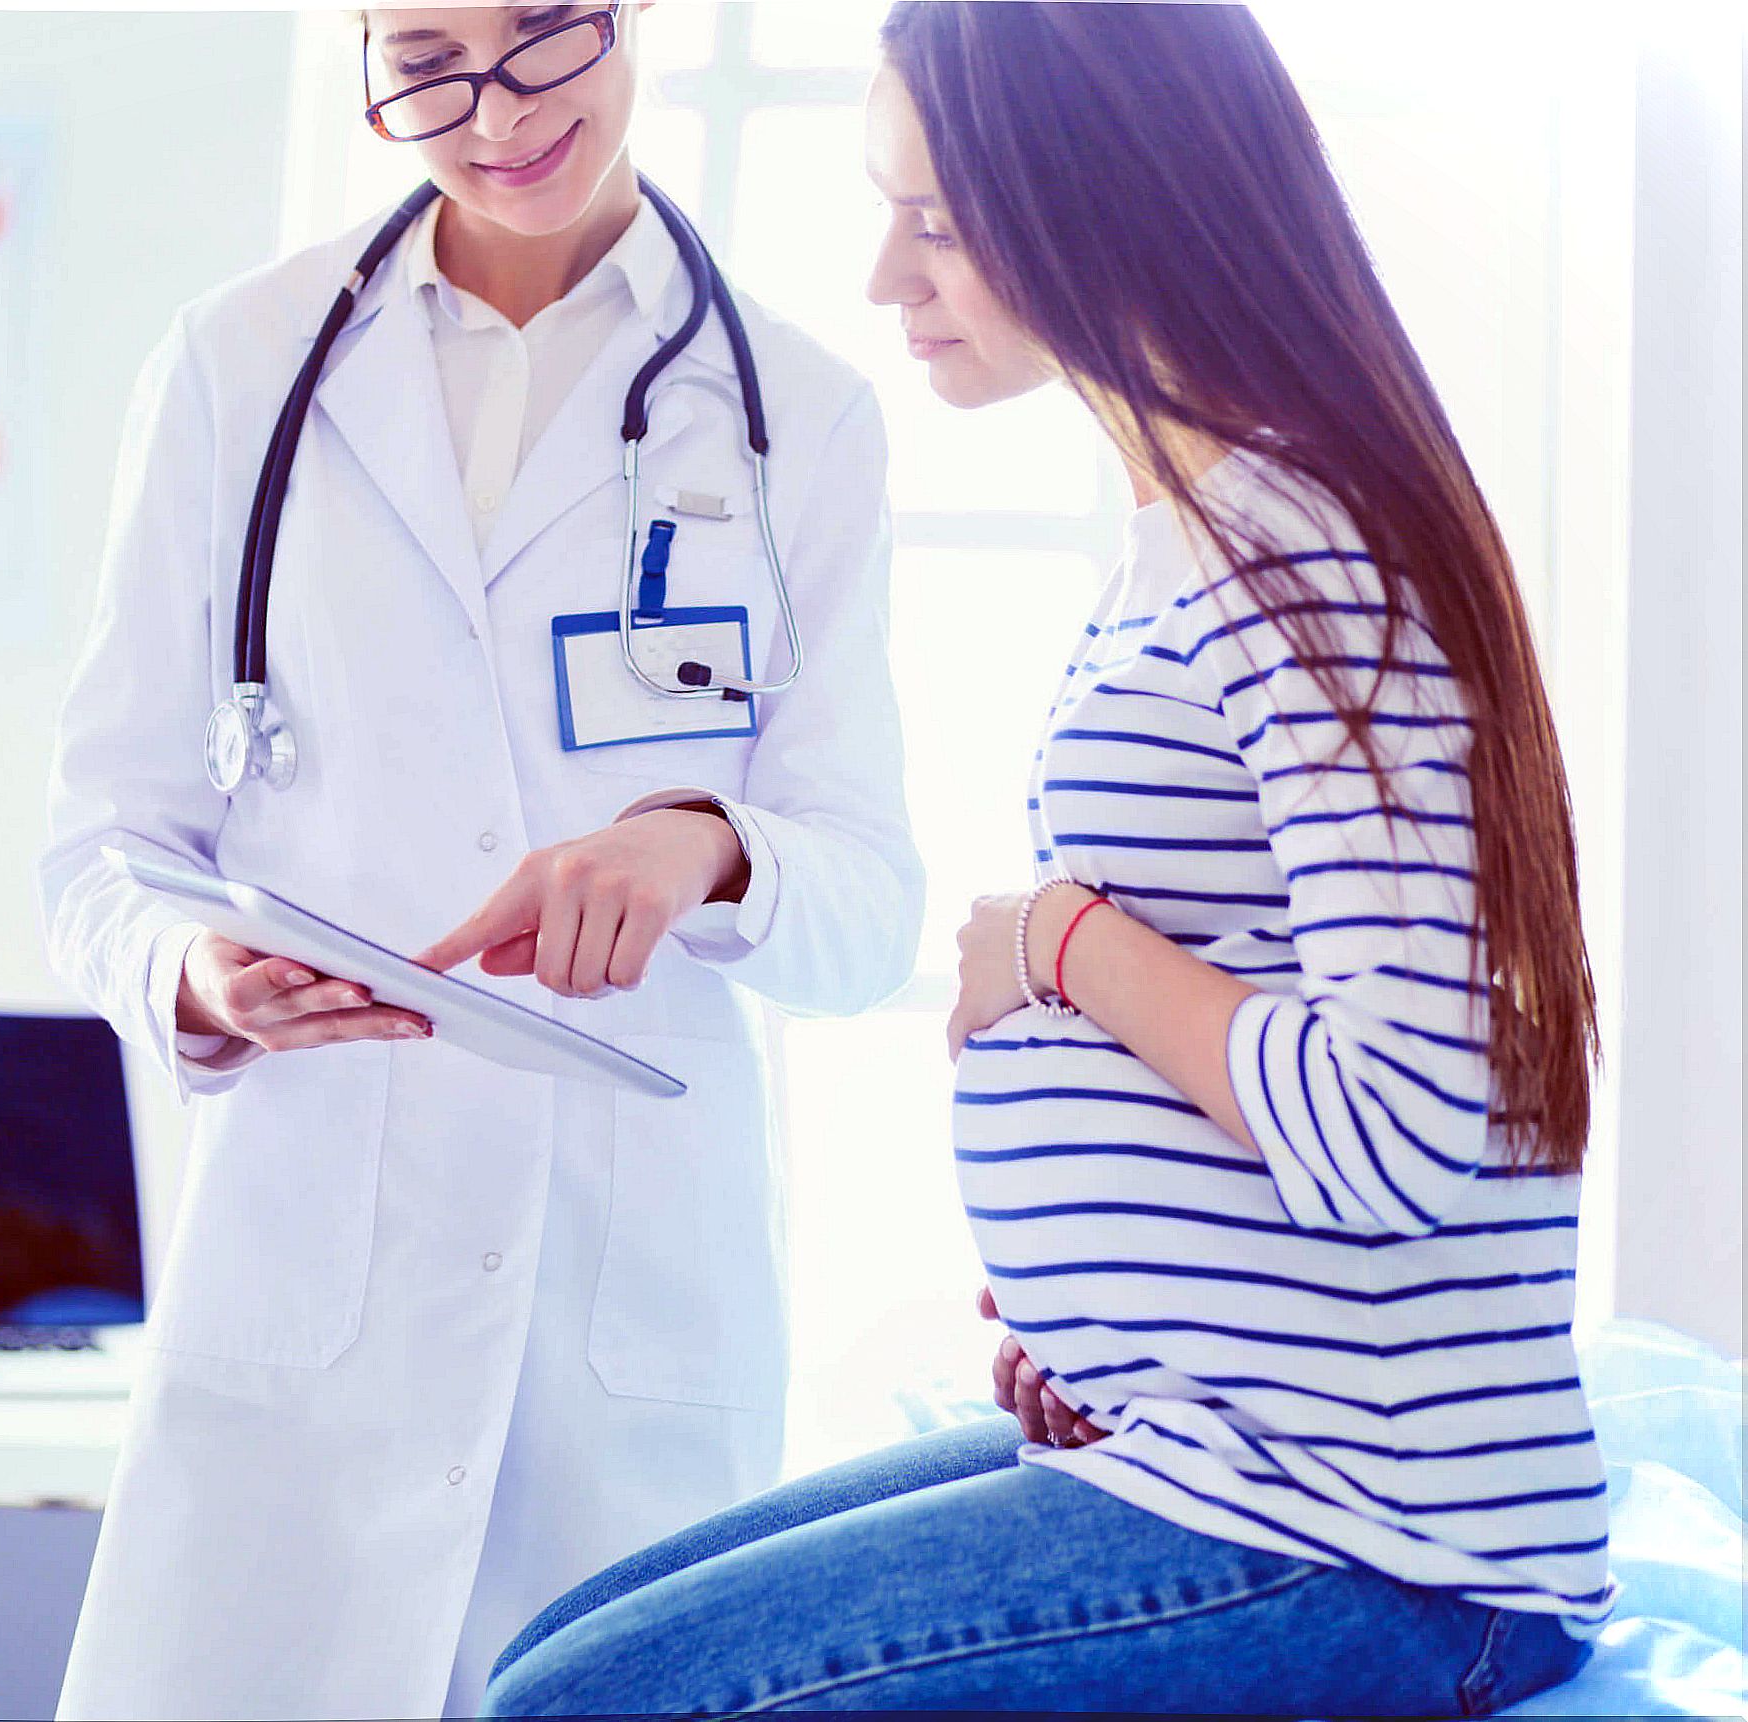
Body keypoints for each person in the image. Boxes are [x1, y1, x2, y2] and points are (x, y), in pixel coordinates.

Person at [481, 4, 1608, 1714]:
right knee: (552, 1653)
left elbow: (1404, 1124)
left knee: (581, 1706)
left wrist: (1054, 936)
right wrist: (1130, 1336)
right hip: (1218, 1440)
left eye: (933, 219)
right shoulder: (1190, 533)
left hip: (1377, 1537)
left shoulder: (1310, 560)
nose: (884, 274)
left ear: (1110, 200)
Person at [37, 5, 923, 1716]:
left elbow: (868, 906)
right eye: (427, 59)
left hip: (621, 1326)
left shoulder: (792, 416)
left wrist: (707, 853)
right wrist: (188, 973)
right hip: (306, 1305)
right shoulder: (239, 368)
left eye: (541, 36)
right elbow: (102, 839)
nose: (495, 111)